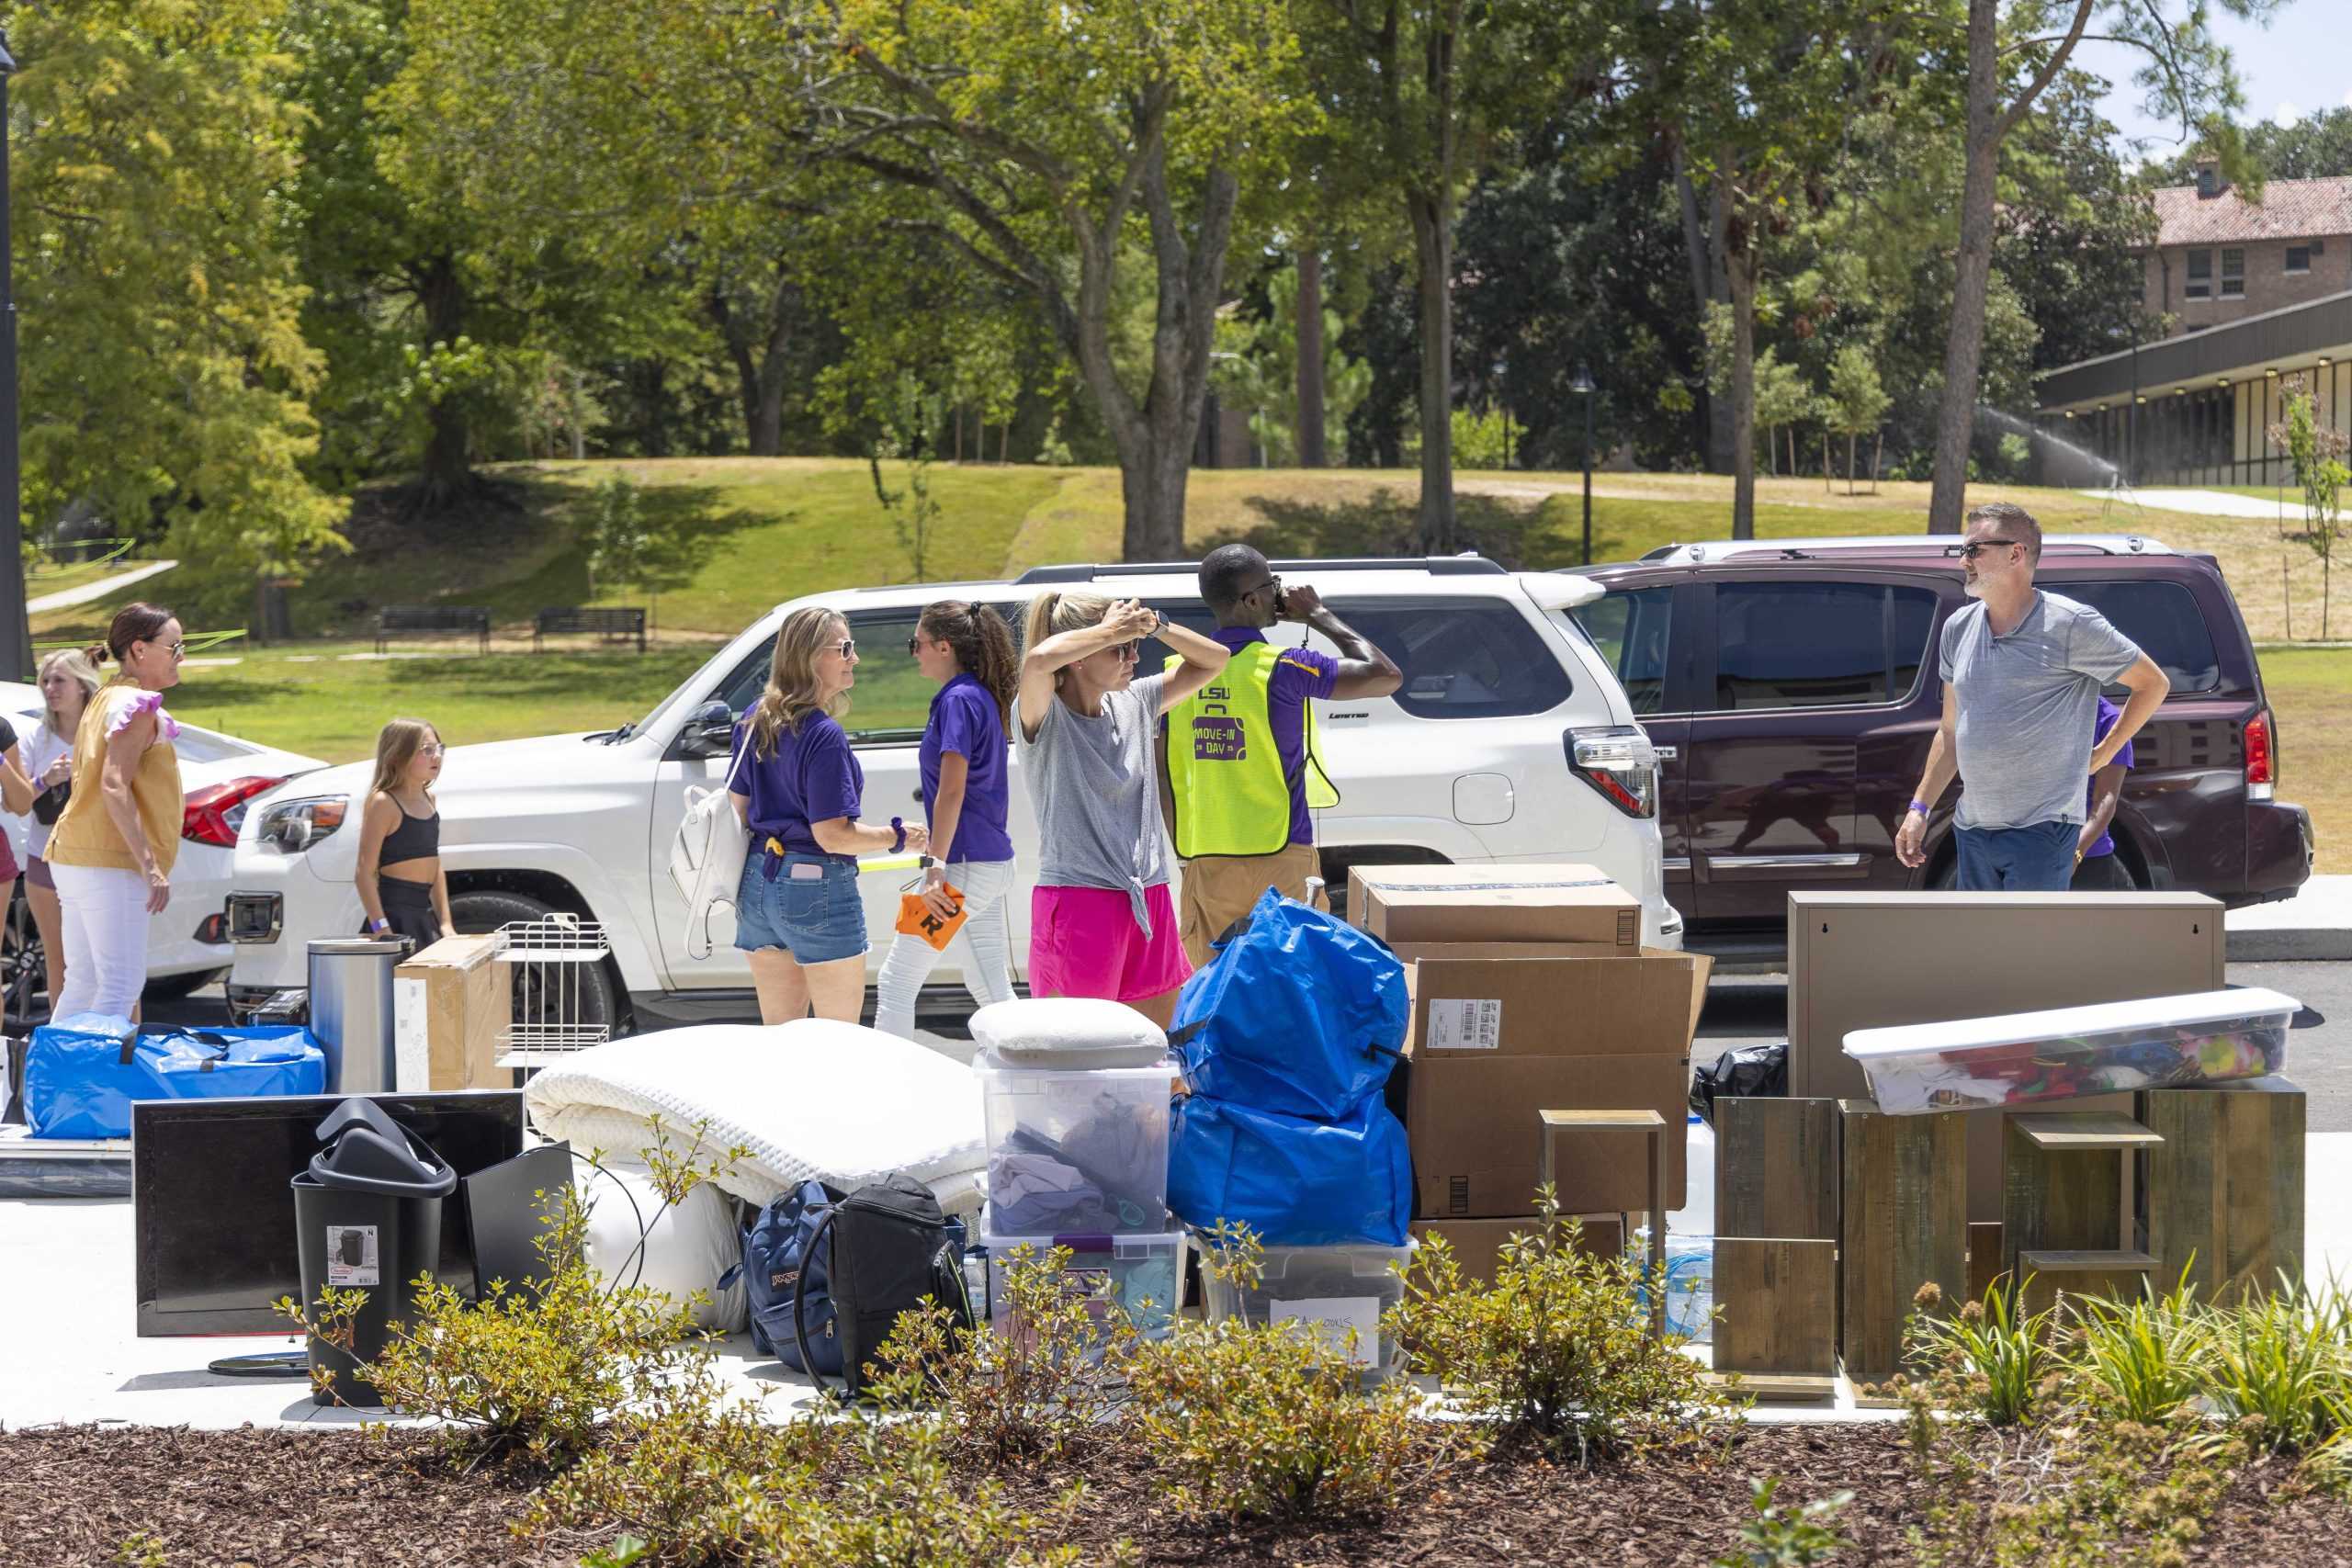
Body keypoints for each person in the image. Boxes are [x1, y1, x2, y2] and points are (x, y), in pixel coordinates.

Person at [1895, 503, 2169, 892]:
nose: (1963, 562)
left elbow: (2152, 683)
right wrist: (1918, 810)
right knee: (1982, 951)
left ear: (2016, 553)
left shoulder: (2071, 623)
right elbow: (1951, 731)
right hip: (1971, 829)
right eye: (1962, 551)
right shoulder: (1957, 629)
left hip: (2043, 830)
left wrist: (2106, 751)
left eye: (1974, 550)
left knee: (2026, 951)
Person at [1161, 545, 1402, 967]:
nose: (1279, 592)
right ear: (1252, 600)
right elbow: (1384, 676)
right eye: (1271, 585)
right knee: (1292, 983)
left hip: (1204, 859)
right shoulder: (1283, 665)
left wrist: (1183, 855)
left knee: (1215, 989)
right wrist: (1317, 614)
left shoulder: (1175, 673)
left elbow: (1166, 772)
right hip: (1280, 853)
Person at [1017, 591, 1229, 1029]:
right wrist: (1108, 631)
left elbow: (1215, 660)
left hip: (1149, 897)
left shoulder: (1135, 701)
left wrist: (1157, 626)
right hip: (1082, 902)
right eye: (1121, 648)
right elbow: (1038, 662)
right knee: (1080, 1053)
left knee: (1156, 1052)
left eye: (1136, 645)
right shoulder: (1045, 714)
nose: (1134, 656)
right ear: (1079, 654)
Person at [730, 606, 925, 1024]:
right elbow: (833, 836)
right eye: (845, 649)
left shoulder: (754, 718)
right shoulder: (822, 734)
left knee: (781, 1037)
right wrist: (897, 837)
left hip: (757, 884)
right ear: (810, 657)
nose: (855, 658)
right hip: (814, 888)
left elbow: (737, 808)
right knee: (839, 1041)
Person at [874, 602, 1021, 1039]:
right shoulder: (977, 695)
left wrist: (935, 868)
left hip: (960, 871)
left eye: (915, 644)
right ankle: (1035, 1073)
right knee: (990, 987)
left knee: (896, 981)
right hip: (989, 865)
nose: (913, 652)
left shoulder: (957, 700)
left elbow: (952, 790)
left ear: (943, 646)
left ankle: (890, 1095)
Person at [45, 602, 186, 1021]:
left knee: (84, 981)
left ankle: (54, 1083)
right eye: (175, 646)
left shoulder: (107, 696)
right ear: (140, 650)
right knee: (120, 984)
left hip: (75, 854)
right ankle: (94, 1084)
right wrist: (150, 866)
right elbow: (112, 784)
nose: (182, 657)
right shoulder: (137, 704)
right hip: (109, 859)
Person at [13, 649, 102, 1011]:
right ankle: (63, 1042)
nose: (50, 688)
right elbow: (16, 801)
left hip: (96, 859)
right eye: (45, 681)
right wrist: (45, 779)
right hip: (44, 859)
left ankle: (118, 1042)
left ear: (82, 686)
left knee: (105, 962)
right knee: (59, 959)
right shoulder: (37, 738)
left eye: (59, 680)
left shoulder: (102, 733)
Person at [355, 718, 455, 947]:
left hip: (422, 917)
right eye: (427, 750)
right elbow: (364, 873)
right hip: (393, 921)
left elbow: (435, 866)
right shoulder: (383, 802)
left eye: (440, 749)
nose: (436, 756)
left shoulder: (429, 799)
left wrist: (446, 923)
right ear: (399, 754)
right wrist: (382, 928)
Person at [2072, 695, 2136, 891]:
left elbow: (2105, 797)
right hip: (2032, 849)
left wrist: (2075, 854)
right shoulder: (2041, 710)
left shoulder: (2109, 720)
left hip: (2089, 857)